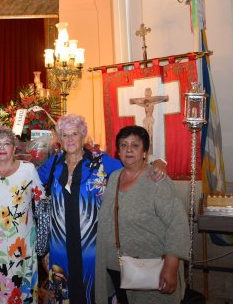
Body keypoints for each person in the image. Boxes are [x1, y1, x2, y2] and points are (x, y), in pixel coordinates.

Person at [37, 114, 166, 303]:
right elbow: (27, 179)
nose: (70, 139)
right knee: (62, 293)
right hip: (59, 247)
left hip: (92, 246)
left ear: (83, 136)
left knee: (92, 291)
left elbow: (132, 167)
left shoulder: (101, 162)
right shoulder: (53, 164)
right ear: (59, 139)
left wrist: (159, 163)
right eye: (65, 135)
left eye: (75, 134)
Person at [95, 125, 188, 304]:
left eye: (135, 145)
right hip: (116, 266)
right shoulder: (114, 177)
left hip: (150, 267)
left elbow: (177, 223)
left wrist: (171, 264)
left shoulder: (156, 180)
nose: (128, 149)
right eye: (123, 145)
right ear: (118, 152)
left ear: (145, 152)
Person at [0, 127, 45, 303]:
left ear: (14, 148)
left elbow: (42, 203)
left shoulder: (28, 170)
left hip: (22, 246)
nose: (2, 147)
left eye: (6, 143)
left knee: (21, 292)